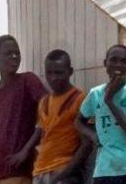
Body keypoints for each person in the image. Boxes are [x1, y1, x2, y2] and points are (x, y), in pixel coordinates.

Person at [76, 45, 126, 184]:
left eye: (123, 61)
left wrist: (109, 101)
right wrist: (92, 135)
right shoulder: (95, 94)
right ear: (105, 63)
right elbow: (78, 121)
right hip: (104, 169)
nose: (118, 65)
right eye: (114, 60)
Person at [0, 34, 47, 184]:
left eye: (17, 53)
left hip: (17, 170)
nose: (14, 57)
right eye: (8, 53)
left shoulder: (28, 80)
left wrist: (26, 150)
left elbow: (48, 112)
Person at [29, 50, 90, 184]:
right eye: (49, 73)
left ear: (70, 71)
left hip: (63, 172)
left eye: (59, 73)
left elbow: (87, 143)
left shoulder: (80, 99)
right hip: (39, 172)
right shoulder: (43, 102)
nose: (53, 78)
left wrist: (63, 175)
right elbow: (44, 137)